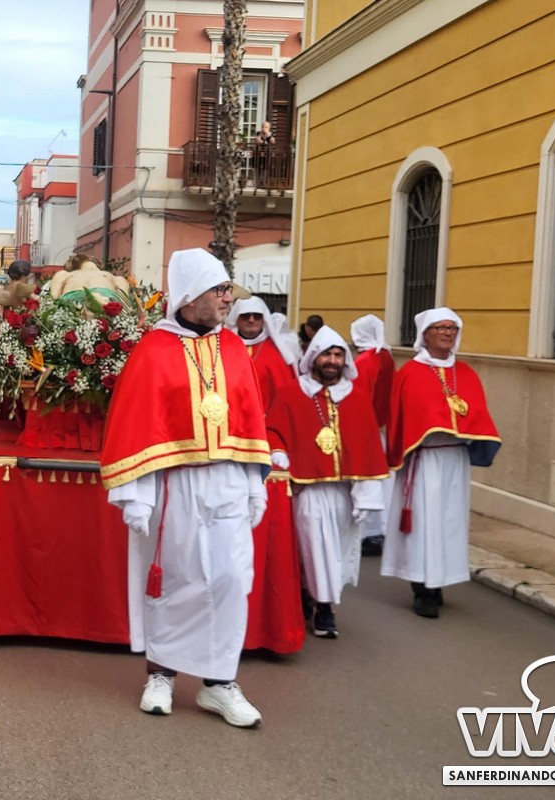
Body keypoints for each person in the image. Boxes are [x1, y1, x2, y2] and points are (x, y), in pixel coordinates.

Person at [100, 248, 270, 727]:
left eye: (228, 290)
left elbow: (250, 418)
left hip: (229, 480)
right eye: (219, 290)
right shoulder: (153, 350)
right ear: (191, 295)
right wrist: (137, 496)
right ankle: (161, 674)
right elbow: (138, 423)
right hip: (173, 484)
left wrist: (255, 486)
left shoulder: (234, 349)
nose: (228, 299)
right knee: (174, 580)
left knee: (230, 580)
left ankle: (220, 683)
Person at [267, 326, 388, 639]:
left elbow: (368, 446)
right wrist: (279, 451)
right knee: (313, 546)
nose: (332, 361)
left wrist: (367, 494)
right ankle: (323, 606)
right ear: (313, 357)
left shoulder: (356, 398)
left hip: (346, 491)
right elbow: (272, 429)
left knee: (340, 550)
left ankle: (316, 596)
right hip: (308, 490)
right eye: (326, 354)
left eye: (337, 355)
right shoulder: (291, 393)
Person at [381, 308, 501, 618]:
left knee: (449, 523)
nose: (447, 333)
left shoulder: (467, 373)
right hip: (424, 461)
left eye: (452, 328)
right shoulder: (410, 373)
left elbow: (477, 414)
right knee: (424, 524)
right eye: (440, 328)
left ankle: (440, 580)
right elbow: (399, 418)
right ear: (425, 334)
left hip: (454, 460)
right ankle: (422, 587)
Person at [226, 295, 305, 654]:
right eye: (246, 317)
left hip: (264, 444)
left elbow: (286, 404)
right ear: (237, 319)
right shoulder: (224, 348)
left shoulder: (276, 356)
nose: (251, 322)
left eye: (257, 317)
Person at [351, 313, 395, 556]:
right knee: (382, 483)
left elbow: (357, 399)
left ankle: (370, 533)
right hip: (379, 429)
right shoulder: (385, 356)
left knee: (366, 482)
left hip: (363, 430)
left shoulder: (364, 362)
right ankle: (381, 530)